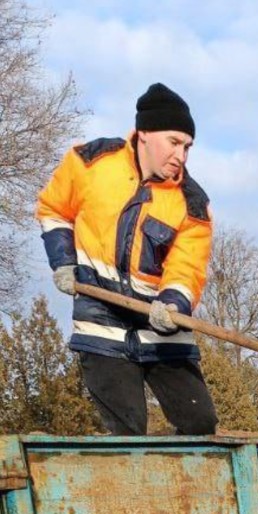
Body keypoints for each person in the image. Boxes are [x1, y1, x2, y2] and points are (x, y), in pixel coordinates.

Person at [37, 83, 218, 436]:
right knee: (128, 430)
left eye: (188, 147)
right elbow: (54, 209)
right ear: (145, 134)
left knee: (200, 423)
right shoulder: (89, 162)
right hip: (101, 321)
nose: (181, 156)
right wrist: (62, 260)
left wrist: (173, 302)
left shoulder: (192, 204)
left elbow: (188, 267)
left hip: (161, 325)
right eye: (174, 142)